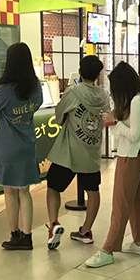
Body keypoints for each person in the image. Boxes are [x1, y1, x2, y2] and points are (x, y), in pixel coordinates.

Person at [85, 62, 140, 268]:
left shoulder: (136, 101)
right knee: (137, 200)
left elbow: (134, 134)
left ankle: (108, 249)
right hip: (139, 156)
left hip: (130, 156)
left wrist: (115, 122)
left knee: (120, 203)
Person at [45, 56, 110, 248]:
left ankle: (53, 224)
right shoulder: (104, 95)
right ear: (98, 75)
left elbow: (59, 114)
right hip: (92, 152)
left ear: (80, 72)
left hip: (69, 153)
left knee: (53, 187)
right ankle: (86, 231)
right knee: (93, 191)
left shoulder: (73, 92)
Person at [0, 43, 44, 251]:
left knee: (10, 191)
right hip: (27, 144)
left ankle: (15, 233)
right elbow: (37, 104)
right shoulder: (35, 86)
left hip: (7, 146)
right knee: (24, 191)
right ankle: (27, 236)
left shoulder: (5, 90)